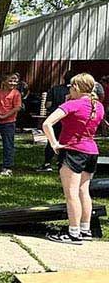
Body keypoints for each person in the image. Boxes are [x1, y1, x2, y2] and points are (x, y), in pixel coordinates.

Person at [41, 73, 103, 244]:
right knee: (84, 191)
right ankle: (85, 229)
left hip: (73, 151)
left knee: (71, 194)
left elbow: (47, 123)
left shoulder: (71, 104)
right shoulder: (98, 106)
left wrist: (54, 143)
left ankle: (73, 233)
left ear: (76, 87)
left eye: (71, 86)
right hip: (91, 151)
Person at [40, 72, 73, 172]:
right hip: (68, 120)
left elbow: (48, 105)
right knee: (66, 141)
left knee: (52, 140)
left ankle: (47, 163)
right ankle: (62, 163)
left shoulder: (55, 89)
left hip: (55, 118)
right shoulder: (74, 92)